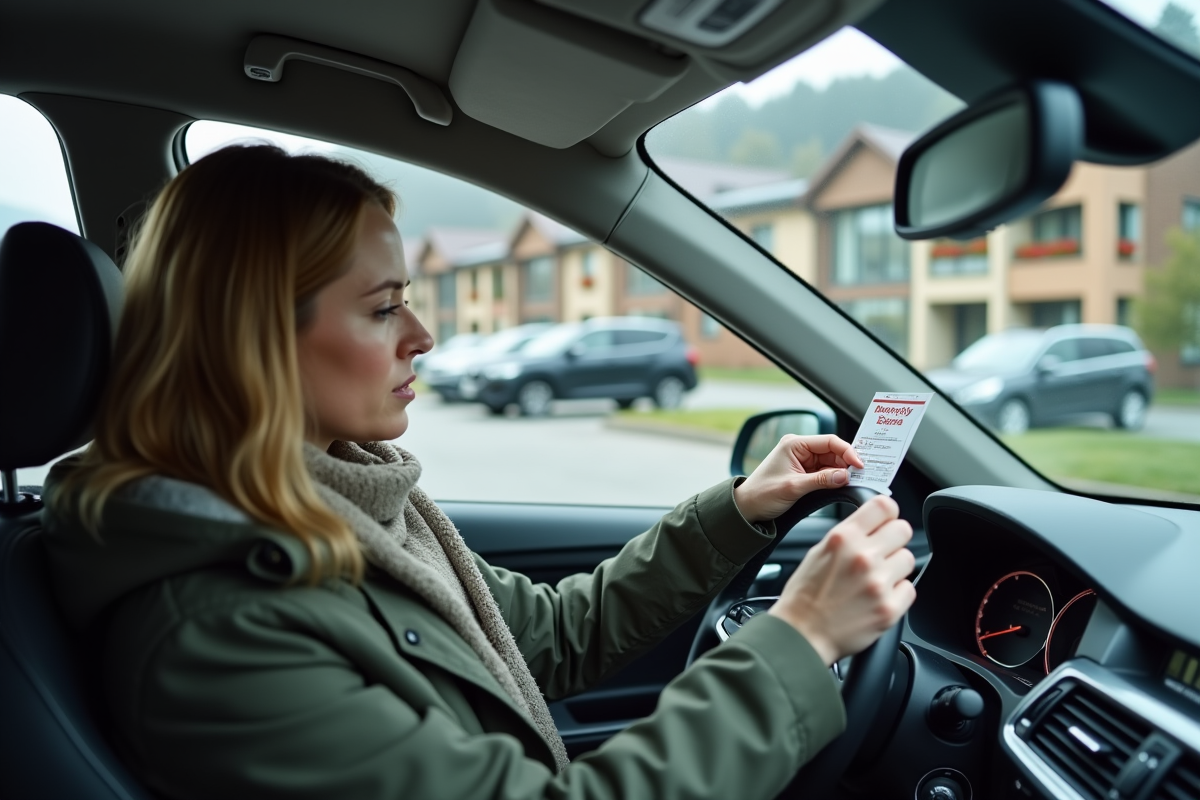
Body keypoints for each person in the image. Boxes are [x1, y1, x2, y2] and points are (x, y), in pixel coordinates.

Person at [43, 144, 916, 800]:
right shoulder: (218, 634)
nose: (422, 336)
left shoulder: (340, 495)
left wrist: (738, 511)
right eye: (384, 307)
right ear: (254, 338)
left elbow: (547, 639)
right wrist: (798, 643)